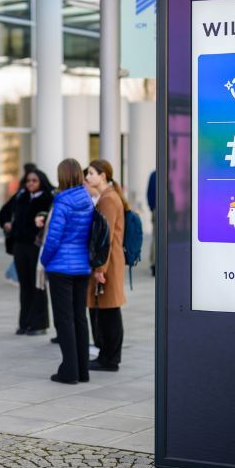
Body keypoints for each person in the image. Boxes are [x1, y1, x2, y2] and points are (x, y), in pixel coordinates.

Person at [40, 158, 94, 385]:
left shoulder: (62, 202)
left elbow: (53, 239)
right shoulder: (88, 200)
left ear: (62, 176)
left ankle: (69, 371)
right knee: (80, 318)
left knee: (64, 320)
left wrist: (44, 259)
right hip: (82, 266)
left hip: (61, 267)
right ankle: (82, 370)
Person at [0, 167, 54, 335]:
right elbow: (4, 212)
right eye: (28, 180)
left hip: (37, 247)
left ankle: (39, 324)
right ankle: (25, 323)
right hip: (20, 246)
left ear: (41, 182)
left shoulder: (48, 198)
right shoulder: (21, 195)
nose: (30, 183)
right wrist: (7, 224)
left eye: (34, 180)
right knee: (25, 285)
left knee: (37, 284)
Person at [85, 159, 127, 372]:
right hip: (110, 261)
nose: (87, 177)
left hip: (108, 263)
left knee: (108, 311)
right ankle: (108, 356)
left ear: (103, 176)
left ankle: (109, 358)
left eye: (91, 173)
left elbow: (106, 237)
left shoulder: (108, 200)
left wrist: (100, 269)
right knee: (107, 309)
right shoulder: (108, 197)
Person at [147, 170, 157, 276]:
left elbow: (149, 193)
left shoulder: (153, 174)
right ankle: (155, 263)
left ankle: (154, 263)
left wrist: (152, 207)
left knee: (155, 237)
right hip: (160, 209)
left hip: (156, 209)